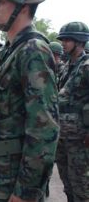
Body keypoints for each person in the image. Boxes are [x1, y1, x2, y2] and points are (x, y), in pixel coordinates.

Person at [0, 0, 59, 201]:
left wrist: (25, 191)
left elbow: (44, 129)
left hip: (13, 185)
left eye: (1, 1)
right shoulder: (13, 50)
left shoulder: (33, 51)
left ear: (23, 4)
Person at [56, 21, 89, 202]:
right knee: (66, 181)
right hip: (63, 134)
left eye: (67, 39)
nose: (63, 43)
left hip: (80, 137)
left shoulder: (86, 67)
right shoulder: (66, 66)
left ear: (79, 41)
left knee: (80, 183)